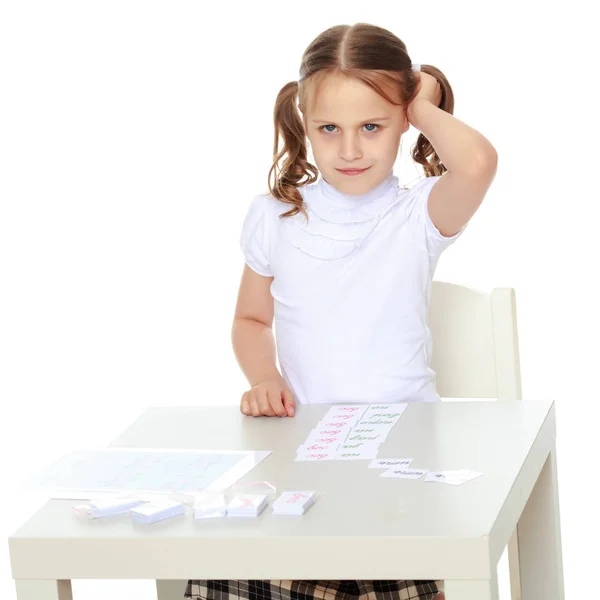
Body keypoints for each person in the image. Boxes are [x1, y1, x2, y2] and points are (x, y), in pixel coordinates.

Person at [185, 21, 497, 600]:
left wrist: (420, 103)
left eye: (372, 127)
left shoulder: (419, 215)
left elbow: (476, 163)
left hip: (403, 458)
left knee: (397, 565)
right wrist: (263, 377)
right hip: (300, 456)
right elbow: (251, 319)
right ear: (305, 123)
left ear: (403, 121)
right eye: (329, 128)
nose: (350, 149)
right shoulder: (275, 216)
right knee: (229, 563)